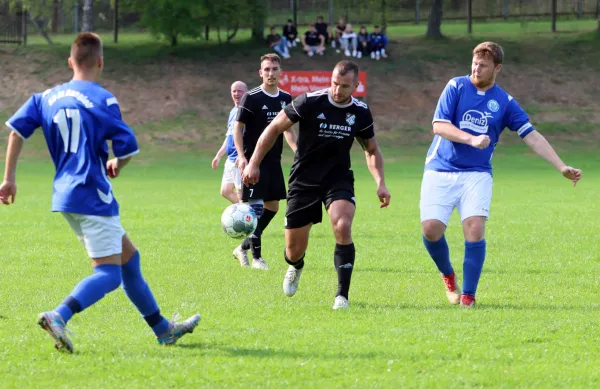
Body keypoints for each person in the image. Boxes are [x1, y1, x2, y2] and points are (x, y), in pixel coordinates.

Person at [0, 33, 200, 353]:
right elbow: (129, 147)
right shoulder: (103, 99)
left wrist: (8, 179)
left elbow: (16, 131)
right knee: (109, 274)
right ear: (100, 62)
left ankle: (164, 329)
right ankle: (58, 316)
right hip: (92, 194)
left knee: (130, 262)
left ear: (70, 62)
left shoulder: (44, 98)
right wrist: (118, 162)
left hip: (65, 196)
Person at [421, 41, 582, 308]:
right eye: (474, 63)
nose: (476, 68)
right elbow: (439, 126)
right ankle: (449, 277)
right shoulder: (456, 86)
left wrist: (561, 166)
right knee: (431, 230)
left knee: (474, 228)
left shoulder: (504, 102)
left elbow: (532, 136)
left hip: (477, 174)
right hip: (440, 168)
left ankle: (468, 297)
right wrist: (471, 139)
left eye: (483, 65)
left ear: (497, 68)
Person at [242, 60, 391, 310]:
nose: (338, 90)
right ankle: (296, 266)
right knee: (293, 251)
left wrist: (381, 183)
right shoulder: (309, 102)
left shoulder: (361, 112)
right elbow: (274, 128)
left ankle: (342, 295)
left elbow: (371, 149)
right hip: (304, 180)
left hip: (338, 178)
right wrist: (253, 163)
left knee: (342, 226)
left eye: (345, 86)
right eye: (334, 83)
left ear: (356, 85)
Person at [232, 53, 297, 270]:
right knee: (254, 210)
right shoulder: (251, 97)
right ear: (261, 73)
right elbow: (237, 128)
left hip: (273, 161)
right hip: (253, 162)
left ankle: (242, 248)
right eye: (266, 69)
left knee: (273, 207)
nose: (270, 73)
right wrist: (242, 157)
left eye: (274, 69)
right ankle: (257, 258)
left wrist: (298, 150)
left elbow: (287, 130)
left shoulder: (286, 98)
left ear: (281, 72)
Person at [212, 81, 248, 203]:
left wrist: (242, 155)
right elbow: (229, 136)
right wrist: (218, 155)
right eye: (234, 91)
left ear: (246, 93)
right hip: (230, 158)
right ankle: (246, 211)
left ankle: (247, 216)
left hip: (239, 159)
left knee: (240, 192)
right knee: (225, 191)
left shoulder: (247, 112)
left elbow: (250, 136)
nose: (237, 93)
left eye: (240, 91)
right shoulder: (233, 111)